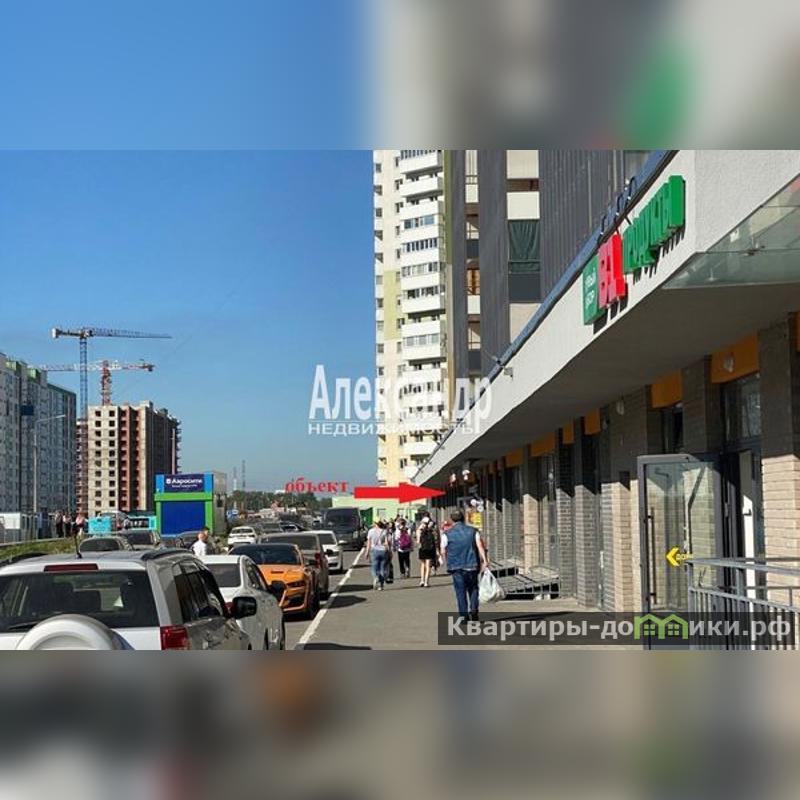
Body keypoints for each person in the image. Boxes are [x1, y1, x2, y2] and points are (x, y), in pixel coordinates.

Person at [440, 510, 488, 621]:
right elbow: (480, 546)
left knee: (460, 591)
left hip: (456, 566)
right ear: (463, 518)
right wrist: (484, 560)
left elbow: (443, 550)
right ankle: (474, 610)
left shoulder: (447, 534)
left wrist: (447, 561)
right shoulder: (473, 531)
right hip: (472, 564)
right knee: (473, 588)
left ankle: (463, 616)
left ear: (451, 520)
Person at [365, 520, 390, 590]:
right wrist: (389, 552)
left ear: (375, 524)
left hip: (374, 551)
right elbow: (387, 543)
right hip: (383, 551)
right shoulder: (384, 531)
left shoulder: (371, 531)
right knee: (382, 568)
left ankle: (376, 577)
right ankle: (381, 586)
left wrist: (367, 552)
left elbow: (369, 543)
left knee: (374, 567)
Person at [417, 516, 436, 588]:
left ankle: (421, 580)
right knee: (428, 565)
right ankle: (426, 582)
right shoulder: (431, 530)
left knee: (422, 564)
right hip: (430, 549)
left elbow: (418, 541)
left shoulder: (419, 530)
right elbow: (435, 540)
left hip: (422, 549)